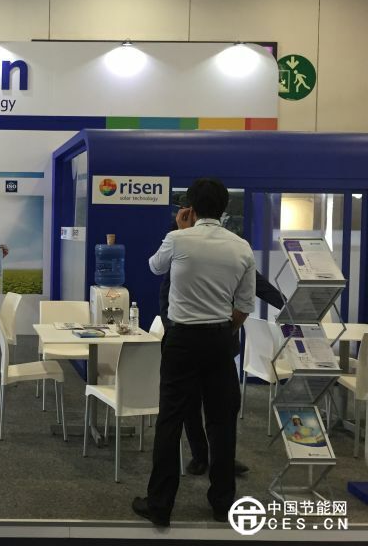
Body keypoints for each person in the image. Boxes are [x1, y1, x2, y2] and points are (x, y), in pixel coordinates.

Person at [133, 178, 256, 527]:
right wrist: (222, 331)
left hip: (182, 339)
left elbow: (155, 266)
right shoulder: (241, 247)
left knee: (170, 420)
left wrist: (179, 229)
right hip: (220, 340)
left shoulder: (178, 239)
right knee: (222, 422)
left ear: (190, 207)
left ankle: (160, 505)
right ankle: (222, 504)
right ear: (225, 208)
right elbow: (244, 305)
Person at [159, 256, 284, 477]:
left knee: (223, 407)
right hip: (187, 342)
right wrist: (173, 331)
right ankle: (200, 456)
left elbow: (258, 284)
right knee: (191, 405)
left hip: (221, 343)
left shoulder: (231, 253)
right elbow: (165, 296)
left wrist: (290, 307)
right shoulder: (186, 251)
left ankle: (223, 460)